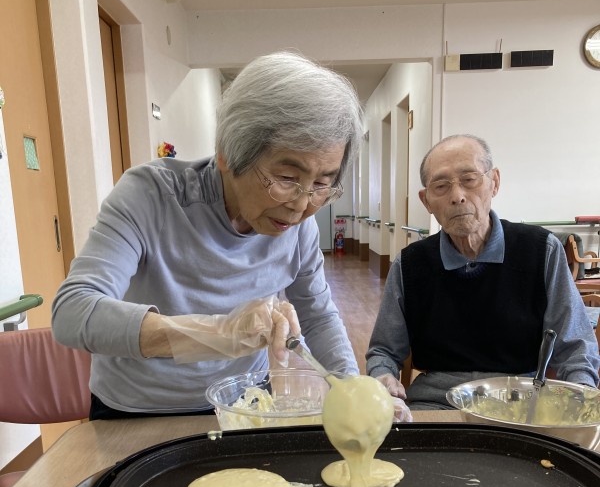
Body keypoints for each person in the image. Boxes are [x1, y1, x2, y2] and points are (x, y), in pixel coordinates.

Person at [52, 51, 363, 418]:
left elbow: (318, 316)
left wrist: (353, 389)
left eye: (322, 184)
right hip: (137, 410)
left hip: (245, 403)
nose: (301, 205)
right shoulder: (151, 196)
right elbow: (73, 312)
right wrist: (219, 333)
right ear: (228, 154)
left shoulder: (300, 229)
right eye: (286, 178)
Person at [366, 134, 600, 410]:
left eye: (469, 179)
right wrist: (383, 377)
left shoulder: (541, 250)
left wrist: (581, 398)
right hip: (436, 402)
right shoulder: (410, 264)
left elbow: (576, 348)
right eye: (441, 186)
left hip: (522, 403)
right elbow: (383, 351)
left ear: (494, 182)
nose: (457, 196)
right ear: (426, 200)